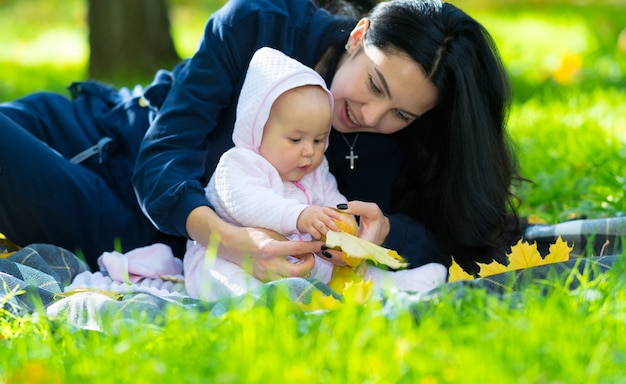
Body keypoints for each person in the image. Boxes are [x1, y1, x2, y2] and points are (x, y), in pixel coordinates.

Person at [0, 0, 522, 281]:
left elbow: (458, 234)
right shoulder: (259, 24)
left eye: (400, 114)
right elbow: (161, 161)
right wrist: (230, 240)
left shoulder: (418, 132)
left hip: (122, 224)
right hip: (99, 145)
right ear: (359, 36)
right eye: (374, 85)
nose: (370, 115)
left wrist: (385, 236)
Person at [184, 47, 446, 301]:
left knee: (343, 270)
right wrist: (298, 215)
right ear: (258, 128)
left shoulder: (315, 171)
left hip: (303, 261)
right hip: (233, 256)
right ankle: (259, 300)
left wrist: (342, 226)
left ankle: (394, 285)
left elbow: (331, 197)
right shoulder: (239, 163)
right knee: (218, 274)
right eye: (296, 139)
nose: (309, 151)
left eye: (319, 140)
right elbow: (245, 201)